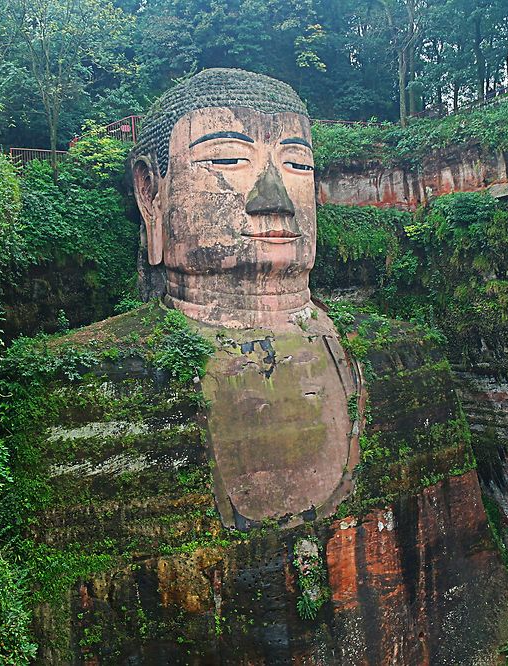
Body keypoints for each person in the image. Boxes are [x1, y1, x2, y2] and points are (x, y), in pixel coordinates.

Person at [129, 69, 359, 528]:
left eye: (298, 166)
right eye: (230, 159)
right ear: (150, 192)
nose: (274, 198)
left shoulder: (401, 359)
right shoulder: (98, 382)